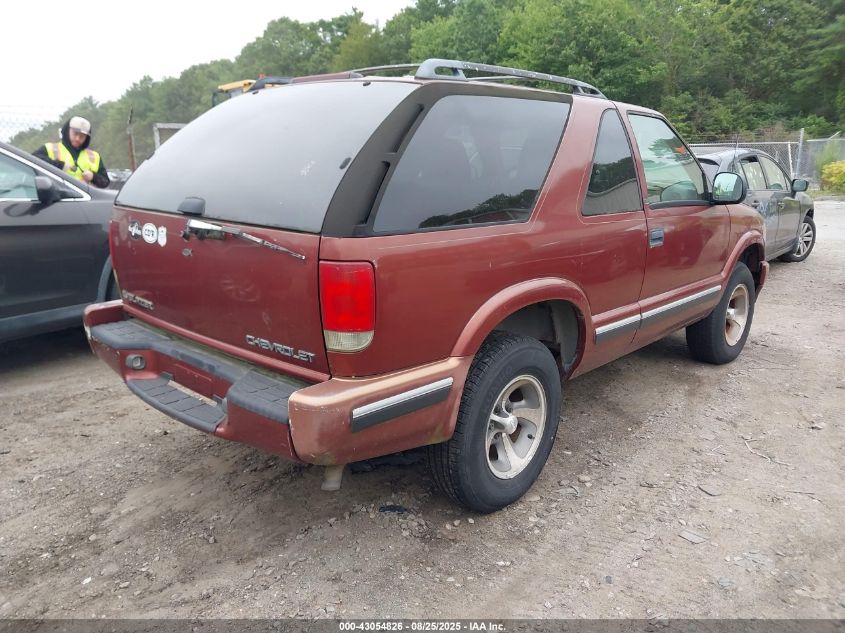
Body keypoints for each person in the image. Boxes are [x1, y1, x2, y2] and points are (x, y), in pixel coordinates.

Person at [34, 116, 110, 188]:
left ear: (87, 138)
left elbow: (105, 182)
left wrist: (93, 177)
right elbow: (33, 160)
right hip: (56, 198)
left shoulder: (94, 156)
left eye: (82, 136)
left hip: (85, 199)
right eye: (75, 134)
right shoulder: (50, 148)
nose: (78, 139)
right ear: (67, 131)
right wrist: (59, 165)